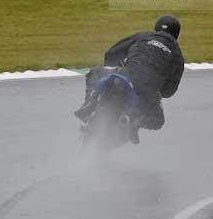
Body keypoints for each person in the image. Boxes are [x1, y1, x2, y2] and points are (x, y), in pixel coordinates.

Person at [74, 15, 184, 144]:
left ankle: (89, 103)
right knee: (158, 121)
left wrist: (114, 70)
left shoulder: (144, 36)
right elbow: (169, 92)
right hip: (147, 91)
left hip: (125, 76)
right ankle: (134, 123)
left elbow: (111, 53)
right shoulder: (178, 55)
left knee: (95, 72)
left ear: (156, 28)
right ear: (176, 34)